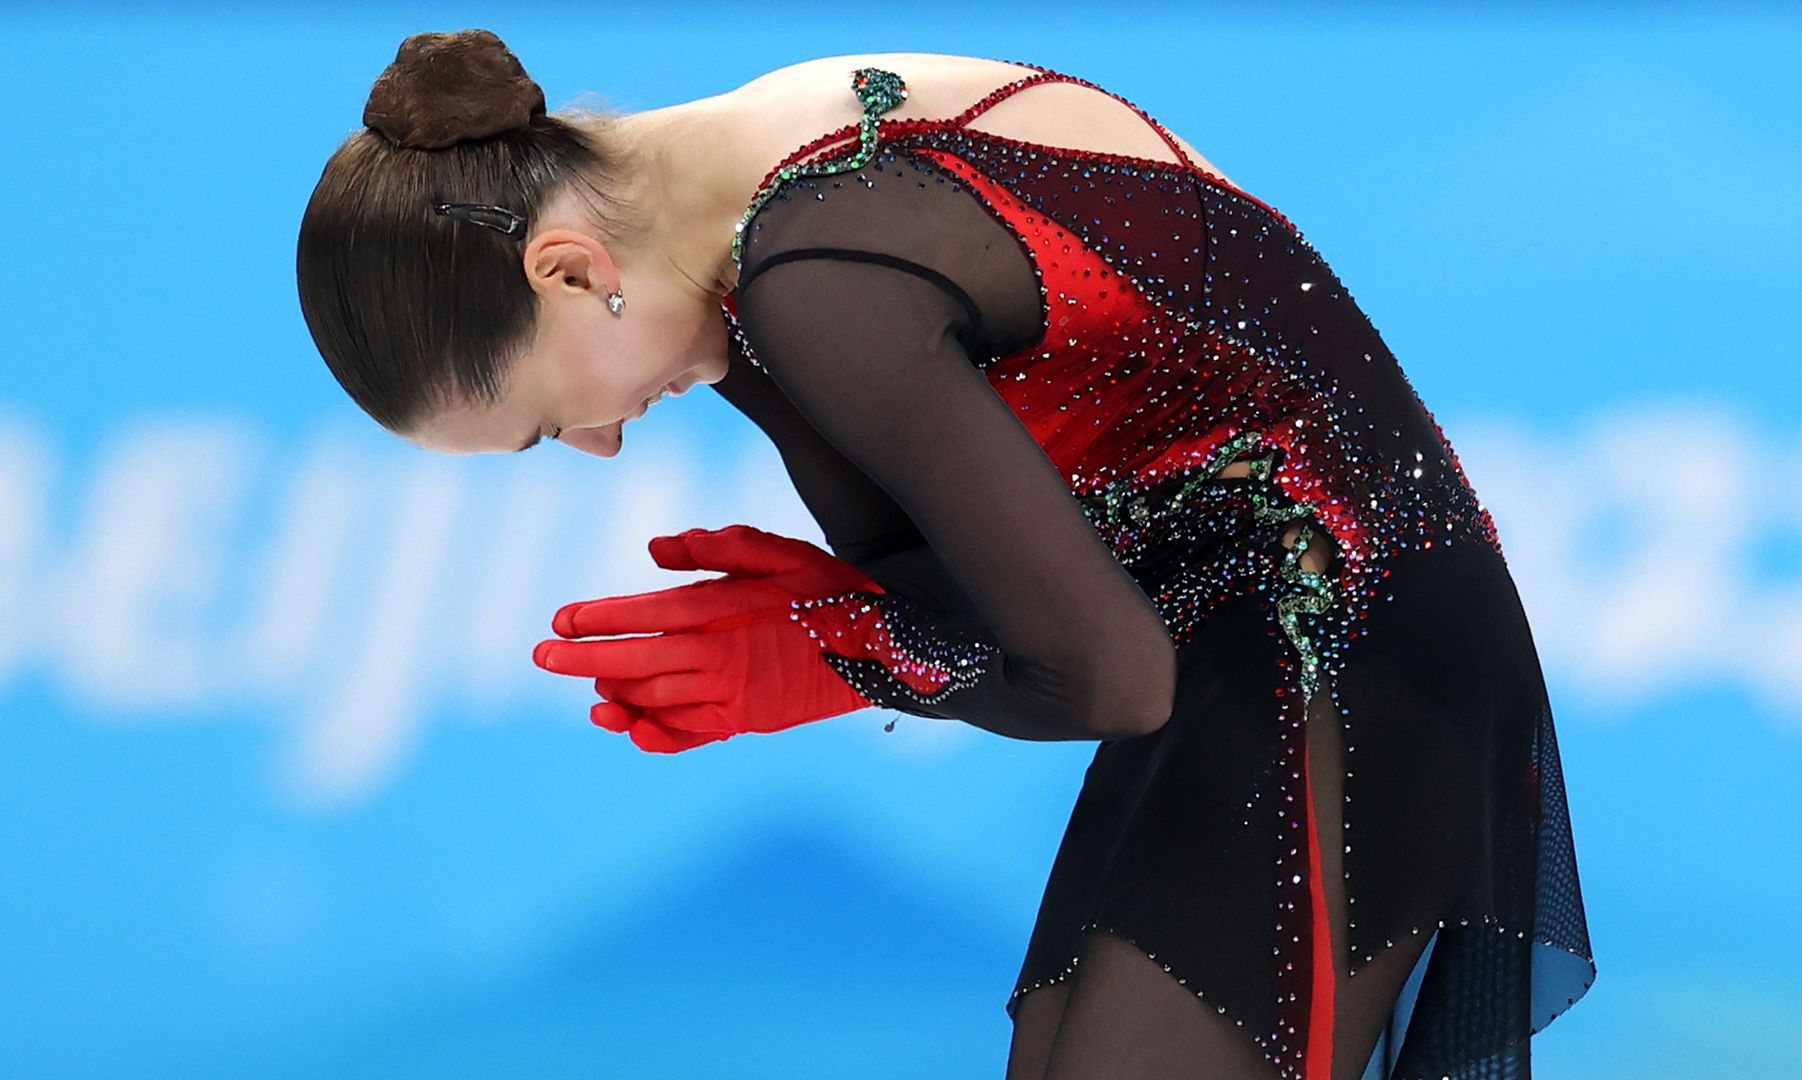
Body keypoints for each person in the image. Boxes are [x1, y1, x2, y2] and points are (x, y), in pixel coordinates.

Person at [296, 30, 1597, 1080]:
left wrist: (837, 648)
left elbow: (1103, 676)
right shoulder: (749, 205)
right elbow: (986, 597)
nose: (595, 446)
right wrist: (857, 614)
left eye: (540, 423)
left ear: (570, 274)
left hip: (1343, 646)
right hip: (1248, 644)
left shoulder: (815, 278)